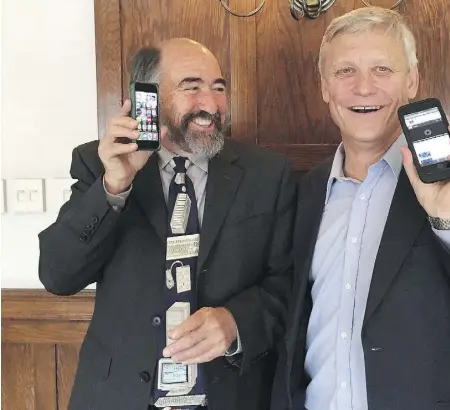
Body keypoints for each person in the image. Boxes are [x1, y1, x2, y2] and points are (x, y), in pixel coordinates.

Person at [272, 7, 450, 410]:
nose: (363, 87)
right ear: (324, 88)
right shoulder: (307, 190)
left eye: (383, 70)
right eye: (345, 71)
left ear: (412, 81)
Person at [38, 38, 296, 410]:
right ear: (150, 98)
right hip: (120, 396)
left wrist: (236, 321)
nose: (210, 104)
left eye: (218, 88)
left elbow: (286, 284)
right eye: (191, 87)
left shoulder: (268, 175)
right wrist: (114, 187)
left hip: (228, 395)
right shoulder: (98, 164)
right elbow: (57, 275)